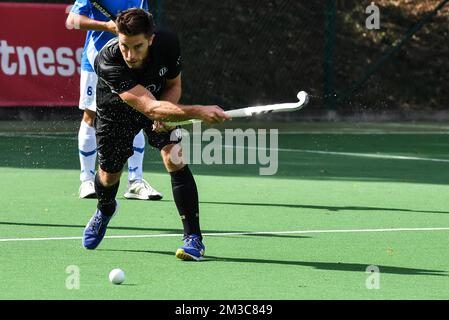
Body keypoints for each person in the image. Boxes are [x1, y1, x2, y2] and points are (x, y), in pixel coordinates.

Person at [82, 8, 230, 261]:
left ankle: (194, 238)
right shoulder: (108, 61)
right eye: (124, 45)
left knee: (175, 158)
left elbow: (173, 86)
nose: (130, 54)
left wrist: (165, 114)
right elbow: (148, 107)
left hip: (159, 101)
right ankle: (105, 209)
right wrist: (198, 111)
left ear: (151, 39)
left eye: (137, 46)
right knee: (108, 175)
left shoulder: (168, 43)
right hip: (115, 112)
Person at [66, 0, 162, 200]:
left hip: (130, 61)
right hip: (95, 61)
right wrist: (107, 26)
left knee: (136, 113)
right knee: (90, 116)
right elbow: (72, 20)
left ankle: (135, 182)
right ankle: (87, 180)